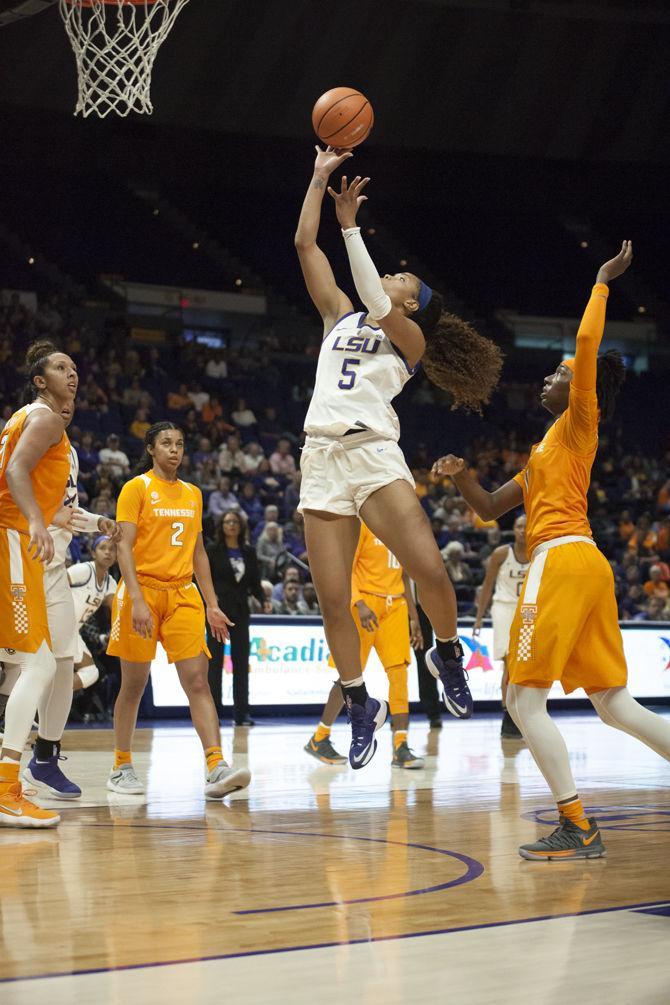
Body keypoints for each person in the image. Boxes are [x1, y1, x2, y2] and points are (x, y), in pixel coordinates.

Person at [434, 242, 670, 861]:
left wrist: (599, 283)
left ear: (576, 387)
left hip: (561, 560)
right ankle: (577, 823)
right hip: (585, 563)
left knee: (520, 698)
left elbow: (588, 349)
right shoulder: (545, 452)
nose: (548, 378)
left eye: (556, 373)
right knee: (616, 705)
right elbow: (488, 510)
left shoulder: (579, 423)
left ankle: (577, 824)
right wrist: (461, 475)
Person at [294, 145, 502, 768]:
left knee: (431, 570)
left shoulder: (408, 339)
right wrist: (318, 179)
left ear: (413, 304)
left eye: (402, 280)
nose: (391, 278)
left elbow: (375, 299)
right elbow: (307, 247)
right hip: (320, 456)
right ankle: (360, 703)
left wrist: (352, 225)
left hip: (375, 455)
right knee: (333, 599)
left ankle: (444, 651)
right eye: (392, 273)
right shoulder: (338, 316)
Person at [106, 422, 250, 799]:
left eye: (180, 444)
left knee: (198, 681)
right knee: (134, 686)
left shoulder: (192, 493)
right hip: (143, 591)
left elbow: (198, 552)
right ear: (151, 449)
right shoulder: (136, 488)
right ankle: (121, 765)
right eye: (166, 443)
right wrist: (136, 598)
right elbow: (124, 548)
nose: (174, 450)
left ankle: (216, 765)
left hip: (183, 593)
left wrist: (213, 604)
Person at [19, 399, 121, 800]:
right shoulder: (27, 437)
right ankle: (13, 762)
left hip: (54, 567)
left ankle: (44, 757)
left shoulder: (71, 453)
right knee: (22, 669)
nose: (69, 401)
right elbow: (14, 485)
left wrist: (97, 522)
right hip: (22, 560)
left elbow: (67, 510)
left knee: (62, 666)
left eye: (71, 402)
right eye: (62, 371)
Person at [0, 340, 77, 827]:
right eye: (60, 368)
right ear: (39, 380)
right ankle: (8, 786)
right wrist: (33, 520)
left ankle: (12, 778)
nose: (71, 374)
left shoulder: (19, 417)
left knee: (37, 664)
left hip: (14, 538)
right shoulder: (46, 418)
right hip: (13, 540)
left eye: (73, 368)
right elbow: (14, 470)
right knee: (40, 664)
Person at [305, 522, 425, 769]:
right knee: (349, 676)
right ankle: (320, 737)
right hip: (365, 603)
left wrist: (414, 617)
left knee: (399, 674)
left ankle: (400, 746)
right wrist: (358, 603)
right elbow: (346, 567)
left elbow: (405, 575)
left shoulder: (401, 529)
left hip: (396, 607)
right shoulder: (361, 527)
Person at [206, 509, 271, 726]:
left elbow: (255, 582)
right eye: (227, 521)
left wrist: (263, 600)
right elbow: (205, 580)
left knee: (241, 664)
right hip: (218, 613)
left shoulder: (248, 552)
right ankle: (213, 713)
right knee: (214, 664)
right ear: (221, 526)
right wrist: (210, 603)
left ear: (241, 526)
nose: (231, 525)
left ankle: (241, 714)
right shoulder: (213, 551)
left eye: (235, 521)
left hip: (242, 612)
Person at [472, 514, 529, 738]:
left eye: (527, 526)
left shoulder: (539, 554)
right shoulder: (501, 554)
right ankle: (508, 716)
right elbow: (486, 586)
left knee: (524, 666)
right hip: (504, 609)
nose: (523, 530)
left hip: (528, 613)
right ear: (513, 530)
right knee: (509, 662)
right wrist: (478, 617)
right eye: (519, 526)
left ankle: (520, 713)